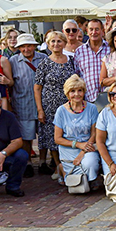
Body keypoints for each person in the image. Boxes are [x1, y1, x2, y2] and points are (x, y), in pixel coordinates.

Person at [34, 31, 80, 177]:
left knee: (69, 133)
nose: (56, 44)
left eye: (59, 41)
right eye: (52, 41)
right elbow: (37, 87)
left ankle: (69, 162)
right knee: (52, 135)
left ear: (64, 43)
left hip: (69, 104)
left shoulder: (71, 60)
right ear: (48, 44)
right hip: (50, 106)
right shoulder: (44, 63)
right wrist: (40, 109)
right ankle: (58, 165)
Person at [9, 34, 48, 176]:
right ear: (18, 48)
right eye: (23, 46)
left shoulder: (43, 58)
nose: (26, 49)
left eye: (29, 45)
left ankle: (43, 161)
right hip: (22, 102)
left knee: (43, 134)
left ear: (34, 46)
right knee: (26, 136)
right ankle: (28, 163)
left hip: (43, 103)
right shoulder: (13, 61)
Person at [53, 74, 100, 189]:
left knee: (90, 164)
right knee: (76, 182)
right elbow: (57, 138)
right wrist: (78, 145)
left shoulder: (92, 108)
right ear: (67, 93)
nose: (77, 94)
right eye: (72, 91)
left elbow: (94, 133)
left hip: (88, 146)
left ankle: (89, 180)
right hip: (69, 148)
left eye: (80, 90)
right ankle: (62, 168)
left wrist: (83, 151)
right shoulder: (61, 111)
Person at [72, 20, 110, 105]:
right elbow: (77, 75)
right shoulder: (79, 51)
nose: (94, 32)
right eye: (91, 29)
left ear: (102, 31)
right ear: (87, 31)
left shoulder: (110, 48)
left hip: (109, 97)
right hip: (88, 98)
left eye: (97, 29)